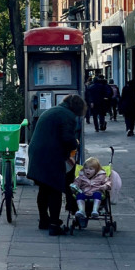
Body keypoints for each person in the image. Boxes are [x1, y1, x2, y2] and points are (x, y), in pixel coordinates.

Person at [27, 94, 85, 235]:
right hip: (51, 155)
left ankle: (44, 220)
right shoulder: (68, 116)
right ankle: (54, 224)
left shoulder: (53, 111)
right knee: (55, 189)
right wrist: (75, 143)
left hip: (37, 153)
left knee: (44, 188)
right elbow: (67, 138)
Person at [72, 156, 111, 225]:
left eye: (91, 169)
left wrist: (104, 186)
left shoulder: (101, 176)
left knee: (97, 194)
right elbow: (76, 183)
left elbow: (108, 182)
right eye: (86, 168)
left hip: (96, 193)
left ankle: (95, 210)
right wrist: (75, 187)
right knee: (79, 195)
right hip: (84, 193)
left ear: (96, 170)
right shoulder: (81, 176)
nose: (87, 170)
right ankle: (81, 210)